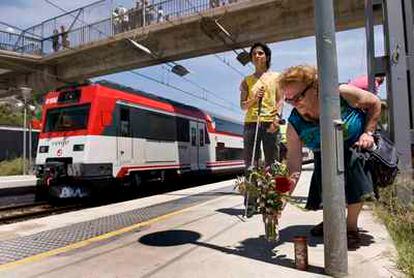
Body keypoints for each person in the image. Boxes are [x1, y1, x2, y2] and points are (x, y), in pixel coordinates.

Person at [279, 65, 381, 246]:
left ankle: (351, 226)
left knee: (353, 172)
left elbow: (374, 103)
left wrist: (368, 133)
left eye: (298, 97)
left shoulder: (341, 93)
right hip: (323, 155)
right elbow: (293, 167)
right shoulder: (294, 123)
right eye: (289, 100)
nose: (294, 104)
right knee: (325, 185)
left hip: (353, 148)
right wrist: (279, 201)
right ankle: (333, 221)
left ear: (315, 86)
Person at [240, 42, 284, 215]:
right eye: (253, 54)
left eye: (259, 53)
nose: (256, 56)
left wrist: (277, 118)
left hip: (270, 122)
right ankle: (251, 203)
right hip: (251, 123)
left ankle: (272, 201)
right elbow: (243, 106)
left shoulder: (276, 77)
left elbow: (280, 100)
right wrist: (253, 99)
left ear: (266, 56)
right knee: (251, 165)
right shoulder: (246, 81)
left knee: (273, 164)